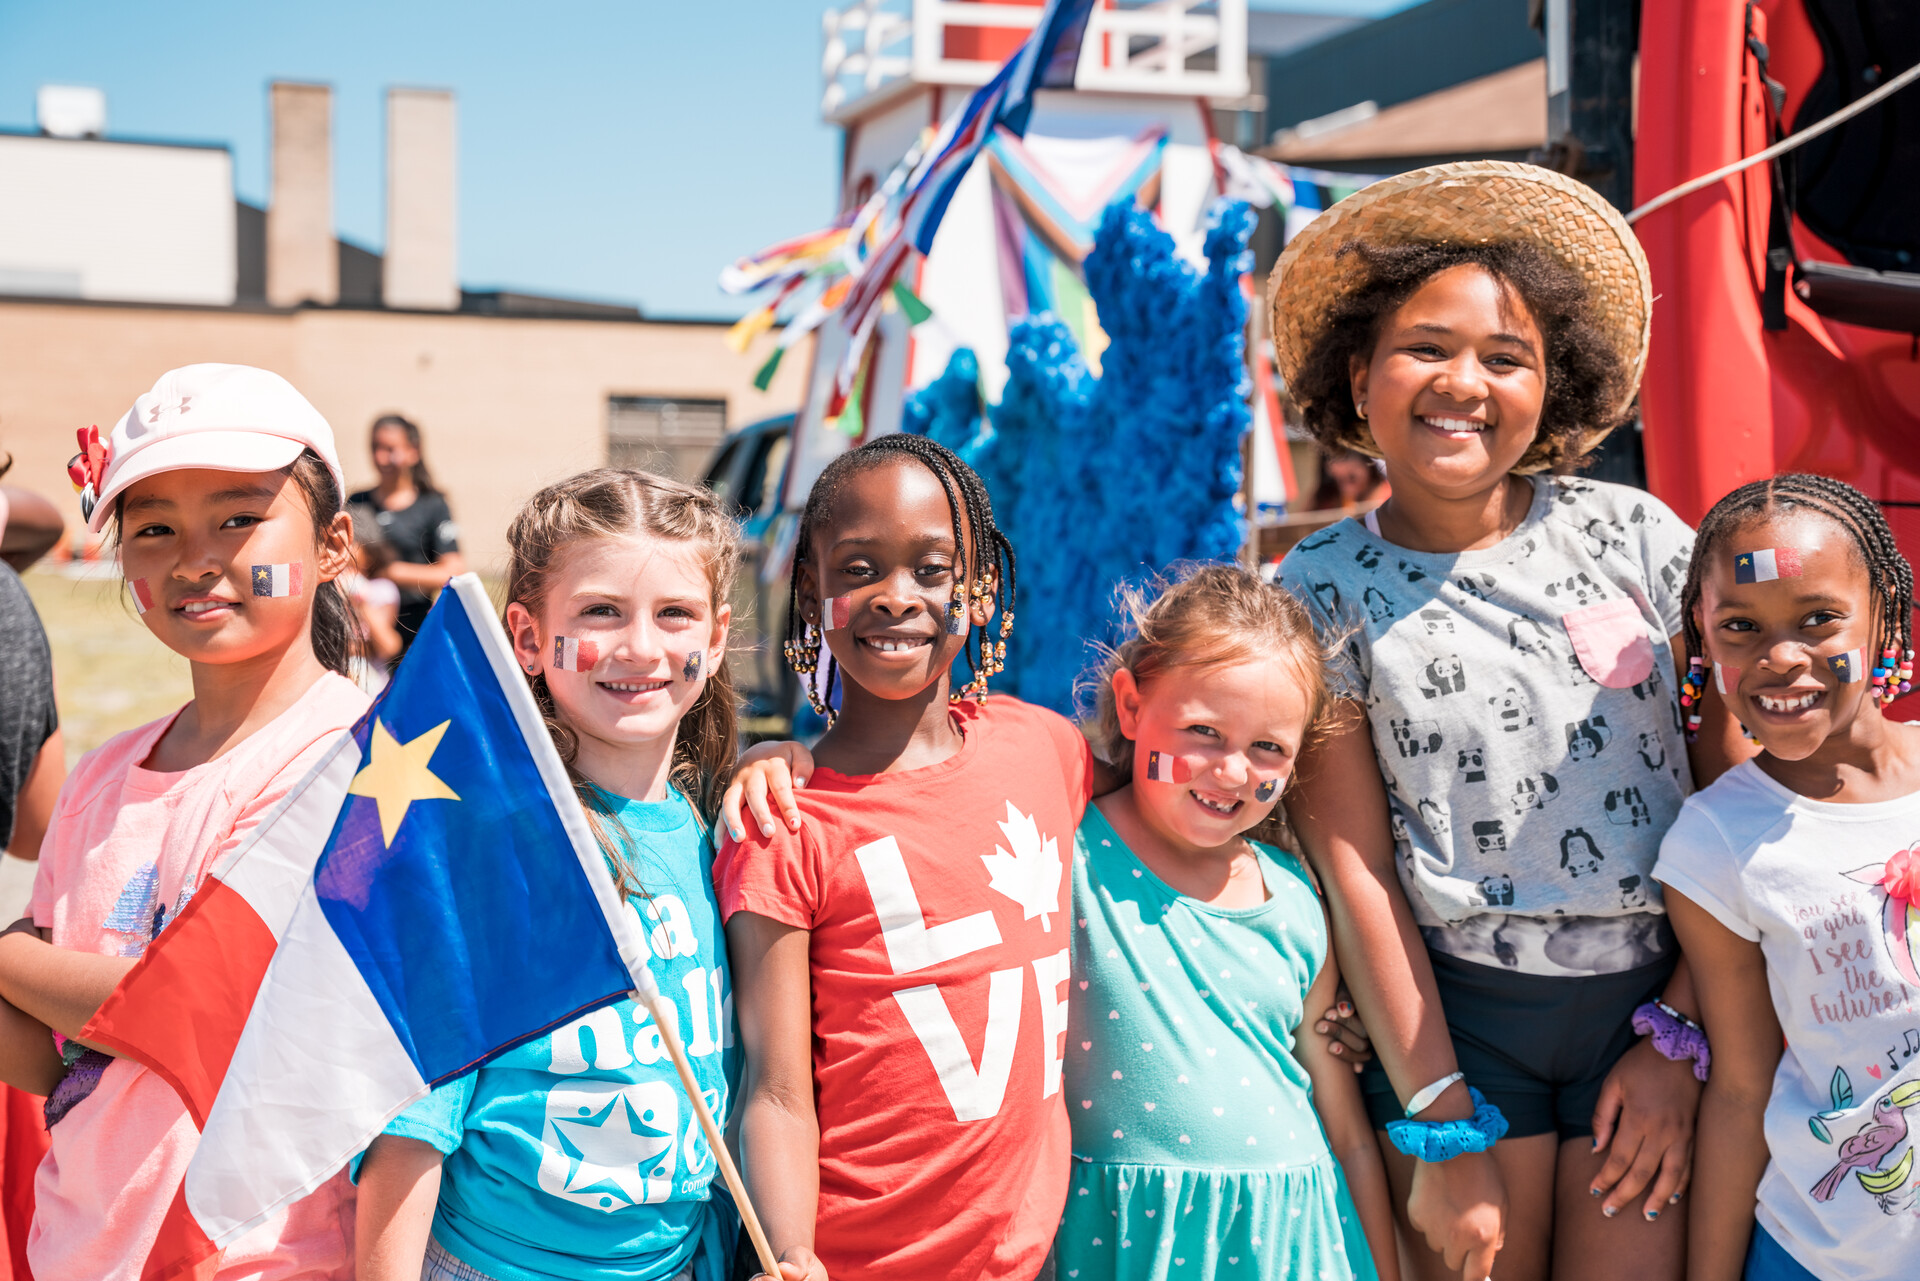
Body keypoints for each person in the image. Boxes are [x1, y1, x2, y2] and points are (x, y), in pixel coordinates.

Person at [1272, 161, 1747, 1281]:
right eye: (1426, 347)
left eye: (1506, 356)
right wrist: (1440, 1122)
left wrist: (1681, 1039)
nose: (1463, 382)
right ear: (1361, 373)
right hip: (1456, 1027)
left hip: (1654, 1005)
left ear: (1554, 384)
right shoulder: (1319, 586)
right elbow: (1360, 871)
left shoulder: (1635, 538)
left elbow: (1738, 805)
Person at [0, 362, 367, 1280]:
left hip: (261, 1256)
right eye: (153, 528)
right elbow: (62, 1064)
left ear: (333, 544)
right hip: (75, 1249)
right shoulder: (96, 778)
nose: (194, 558)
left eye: (240, 519)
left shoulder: (355, 760)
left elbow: (194, 1005)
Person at [715, 433, 1092, 1281]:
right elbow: (775, 1089)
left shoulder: (1047, 749)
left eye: (932, 568)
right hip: (853, 1261)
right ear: (811, 593)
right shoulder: (782, 821)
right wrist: (791, 1251)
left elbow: (1177, 806)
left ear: (981, 589)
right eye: (857, 569)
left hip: (1027, 1259)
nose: (896, 596)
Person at [355, 469, 746, 1281]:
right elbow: (410, 1124)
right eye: (601, 611)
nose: (641, 646)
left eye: (675, 613)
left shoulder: (730, 836)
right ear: (528, 639)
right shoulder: (486, 853)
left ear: (715, 639)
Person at [1059, 564, 1397, 1281]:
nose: (1234, 771)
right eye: (1204, 731)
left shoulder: (1296, 899)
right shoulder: (1068, 852)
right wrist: (790, 757)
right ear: (1129, 705)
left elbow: (1346, 1130)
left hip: (1295, 1242)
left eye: (1268, 747)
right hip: (1123, 1241)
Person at [1653, 475, 1920, 1281]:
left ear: (1882, 613)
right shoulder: (1714, 843)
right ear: (1703, 639)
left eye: (1818, 619)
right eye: (1740, 626)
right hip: (1819, 1256)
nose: (1780, 658)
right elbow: (1741, 1089)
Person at [350, 414, 465, 650]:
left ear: (413, 451)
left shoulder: (433, 505)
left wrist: (389, 572)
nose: (381, 457)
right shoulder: (357, 503)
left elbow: (453, 572)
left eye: (390, 449)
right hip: (364, 635)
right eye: (375, 448)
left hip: (417, 632)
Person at [341, 505, 404, 692]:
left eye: (352, 543)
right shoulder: (325, 587)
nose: (343, 550)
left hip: (371, 686)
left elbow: (388, 646)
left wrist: (360, 601)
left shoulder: (382, 590)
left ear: (370, 554)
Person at [1311, 448, 1390, 512]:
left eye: (1352, 478)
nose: (1347, 490)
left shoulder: (1389, 500)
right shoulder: (1325, 500)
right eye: (1340, 481)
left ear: (1369, 466)